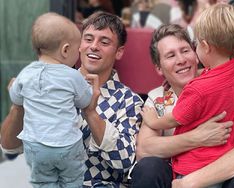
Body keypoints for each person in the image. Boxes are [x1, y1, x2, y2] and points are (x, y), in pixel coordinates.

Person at [1, 11, 144, 187]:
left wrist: (91, 114)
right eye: (88, 39)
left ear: (119, 52)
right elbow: (9, 146)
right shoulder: (44, 82)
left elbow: (124, 161)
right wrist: (18, 106)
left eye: (104, 42)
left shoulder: (128, 100)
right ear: (78, 45)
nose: (94, 46)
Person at [130, 25, 234, 188]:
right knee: (148, 168)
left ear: (196, 54)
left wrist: (189, 182)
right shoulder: (157, 97)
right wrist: (196, 138)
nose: (181, 60)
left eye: (185, 51)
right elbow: (145, 149)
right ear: (159, 68)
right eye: (170, 55)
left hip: (221, 177)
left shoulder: (232, 86)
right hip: (176, 174)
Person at [8, 12, 95, 187]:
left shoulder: (26, 73)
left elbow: (16, 98)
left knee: (42, 182)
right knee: (72, 180)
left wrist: (12, 88)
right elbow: (85, 102)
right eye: (76, 49)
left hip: (36, 146)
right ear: (65, 50)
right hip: (67, 145)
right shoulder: (72, 76)